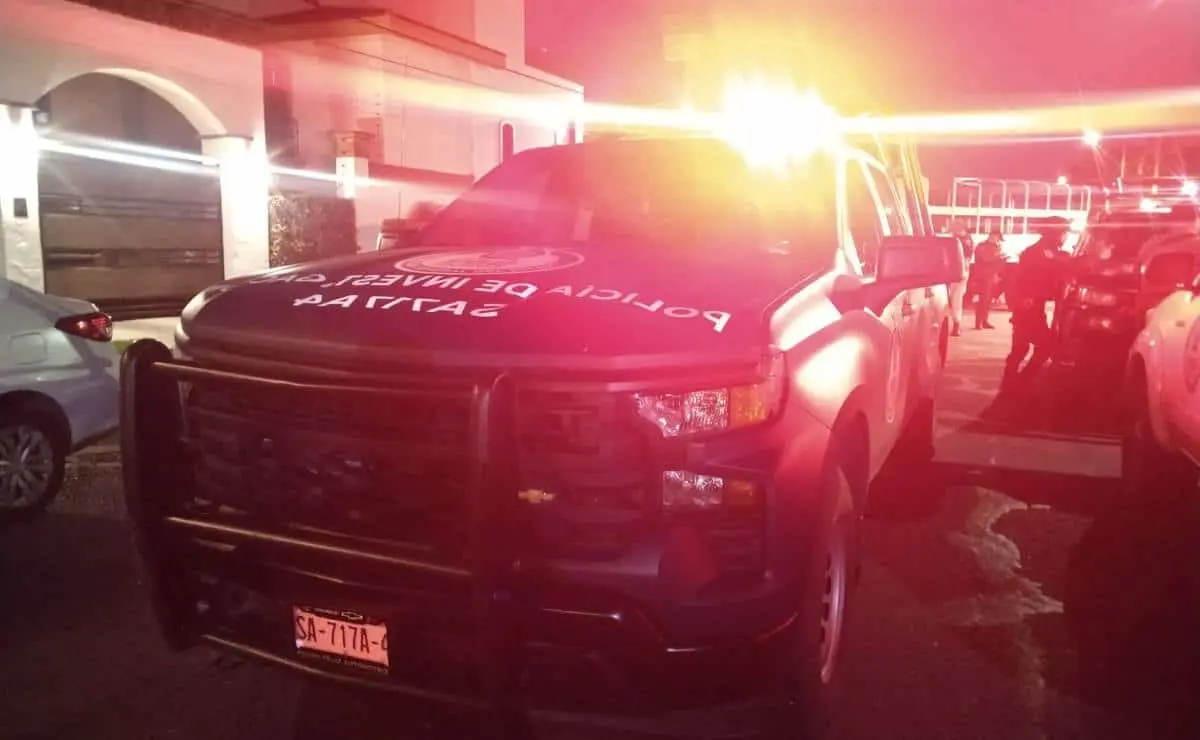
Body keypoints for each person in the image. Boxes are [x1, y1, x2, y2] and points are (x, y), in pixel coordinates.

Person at [1000, 218, 1071, 392]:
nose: (1066, 237)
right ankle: (1018, 382)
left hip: (1032, 306)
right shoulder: (1039, 253)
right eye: (1064, 232)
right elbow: (1031, 278)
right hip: (1029, 306)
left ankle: (1013, 382)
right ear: (1054, 233)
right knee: (1037, 346)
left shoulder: (1045, 251)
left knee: (1022, 347)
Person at [970, 228, 1004, 329]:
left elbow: (996, 263)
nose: (998, 241)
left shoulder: (996, 247)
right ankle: (979, 322)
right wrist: (998, 256)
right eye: (997, 238)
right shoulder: (982, 246)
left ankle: (985, 320)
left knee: (989, 300)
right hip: (983, 277)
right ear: (993, 236)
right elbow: (986, 259)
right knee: (983, 300)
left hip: (992, 276)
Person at [947, 220, 974, 336]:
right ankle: (956, 325)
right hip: (960, 272)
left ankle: (956, 325)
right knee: (956, 299)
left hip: (956, 272)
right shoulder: (968, 239)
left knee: (954, 299)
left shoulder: (958, 240)